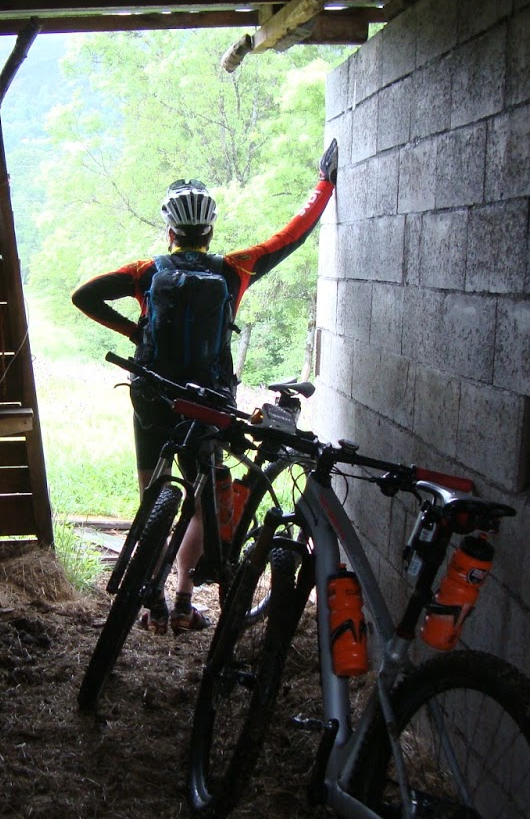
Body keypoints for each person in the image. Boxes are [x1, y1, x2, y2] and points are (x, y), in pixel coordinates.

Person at [72, 139, 338, 633]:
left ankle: (150, 604)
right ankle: (183, 601)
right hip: (207, 403)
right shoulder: (235, 269)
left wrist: (134, 332)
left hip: (152, 397)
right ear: (209, 230)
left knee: (152, 495)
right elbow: (292, 236)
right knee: (200, 503)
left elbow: (83, 296)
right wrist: (324, 185)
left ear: (170, 231)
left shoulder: (145, 272)